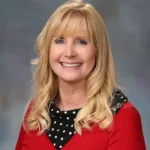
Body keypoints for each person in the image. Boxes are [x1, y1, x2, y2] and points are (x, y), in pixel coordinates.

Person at [15, 0, 146, 150]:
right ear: (48, 50)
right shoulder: (36, 112)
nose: (69, 53)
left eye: (81, 42)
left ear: (98, 51)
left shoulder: (123, 117)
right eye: (60, 41)